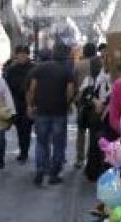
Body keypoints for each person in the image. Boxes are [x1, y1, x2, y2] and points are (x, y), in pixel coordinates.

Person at [27, 44, 75, 186]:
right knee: (59, 143)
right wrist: (66, 104)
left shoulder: (39, 68)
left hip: (41, 111)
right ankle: (54, 173)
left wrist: (30, 105)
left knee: (41, 142)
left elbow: (32, 88)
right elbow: (70, 91)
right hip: (59, 111)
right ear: (65, 55)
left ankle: (41, 168)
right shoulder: (67, 71)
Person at [81, 52, 111, 182]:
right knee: (94, 143)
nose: (105, 61)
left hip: (110, 116)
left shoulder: (116, 77)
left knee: (108, 144)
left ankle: (107, 172)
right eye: (103, 58)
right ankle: (93, 172)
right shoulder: (92, 78)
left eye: (108, 58)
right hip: (95, 116)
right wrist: (95, 101)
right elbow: (85, 95)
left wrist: (108, 105)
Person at [4, 45, 34, 163]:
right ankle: (22, 150)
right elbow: (7, 87)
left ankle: (24, 152)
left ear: (28, 55)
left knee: (26, 129)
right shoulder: (11, 70)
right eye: (19, 55)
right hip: (15, 104)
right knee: (19, 129)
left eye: (24, 54)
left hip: (29, 103)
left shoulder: (33, 68)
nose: (22, 57)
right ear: (16, 56)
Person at [74, 42, 100, 169]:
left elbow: (74, 84)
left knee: (81, 130)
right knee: (94, 130)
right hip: (97, 101)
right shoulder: (100, 64)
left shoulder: (78, 65)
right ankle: (92, 157)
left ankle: (80, 158)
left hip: (82, 102)